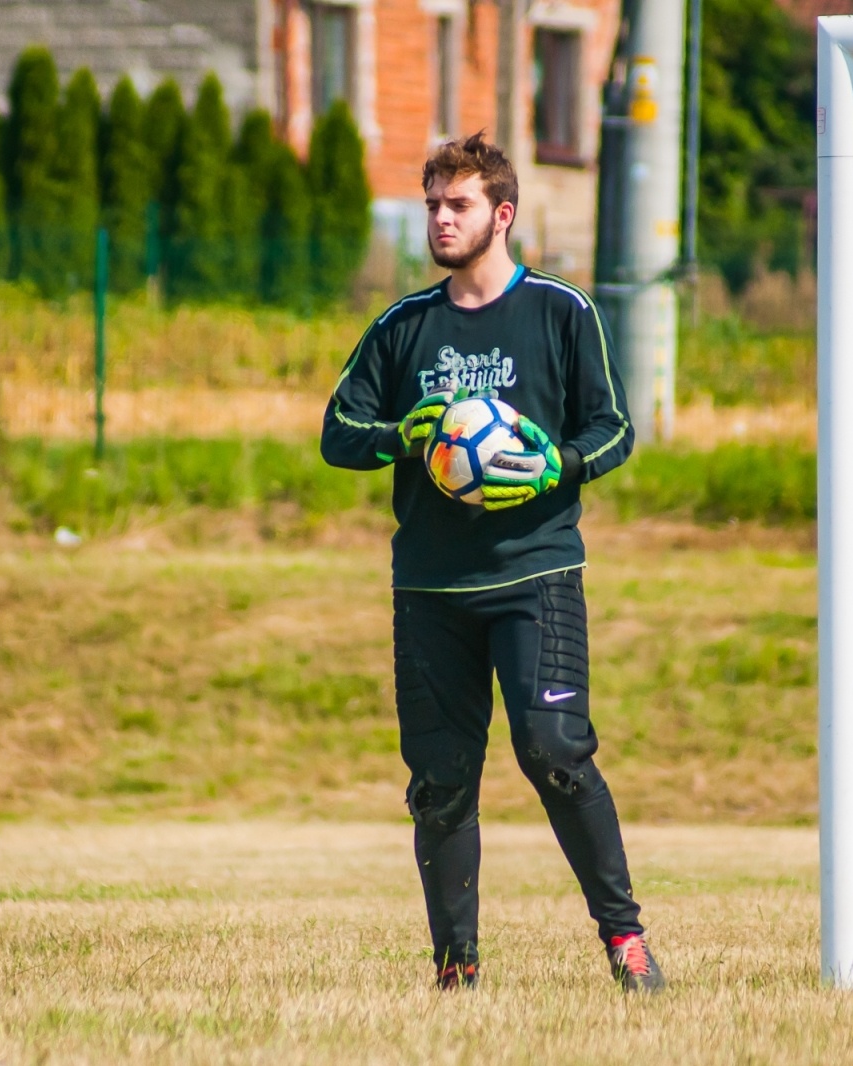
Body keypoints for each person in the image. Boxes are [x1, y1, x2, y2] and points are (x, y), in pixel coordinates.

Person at [320, 133, 663, 992]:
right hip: (431, 588)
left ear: (501, 215)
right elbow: (337, 434)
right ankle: (456, 968)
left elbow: (615, 428)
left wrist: (563, 465)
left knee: (554, 751)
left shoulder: (561, 312)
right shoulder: (403, 327)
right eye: (433, 202)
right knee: (439, 782)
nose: (439, 218)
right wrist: (406, 435)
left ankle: (626, 944)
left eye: (457, 203)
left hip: (536, 576)